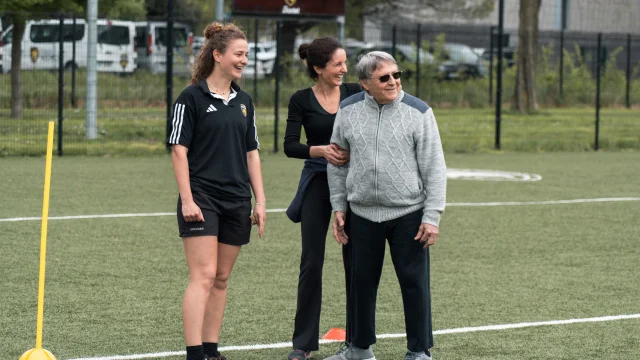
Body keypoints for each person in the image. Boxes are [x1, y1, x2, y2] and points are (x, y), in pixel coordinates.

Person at [325, 51, 447, 360]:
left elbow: (434, 167)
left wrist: (431, 216)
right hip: (361, 213)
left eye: (396, 74)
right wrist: (339, 206)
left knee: (414, 284)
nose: (393, 81)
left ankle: (419, 352)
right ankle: (359, 349)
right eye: (384, 77)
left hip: (408, 213)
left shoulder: (419, 112)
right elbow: (337, 162)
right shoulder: (348, 110)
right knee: (360, 283)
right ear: (365, 83)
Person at [167, 22, 266, 360]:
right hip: (202, 197)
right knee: (204, 275)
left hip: (237, 199)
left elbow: (251, 152)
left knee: (221, 278)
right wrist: (188, 200)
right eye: (239, 54)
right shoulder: (190, 98)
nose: (244, 60)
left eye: (246, 55)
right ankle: (194, 353)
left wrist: (261, 201)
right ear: (217, 55)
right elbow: (178, 150)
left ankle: (211, 350)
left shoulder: (244, 101)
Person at [283, 37, 362, 360]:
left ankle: (358, 341)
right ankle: (303, 344)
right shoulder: (301, 99)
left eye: (345, 63)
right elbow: (290, 145)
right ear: (318, 68)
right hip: (317, 179)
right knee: (312, 261)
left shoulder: (357, 92)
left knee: (356, 262)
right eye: (338, 64)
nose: (345, 69)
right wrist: (320, 150)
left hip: (354, 183)